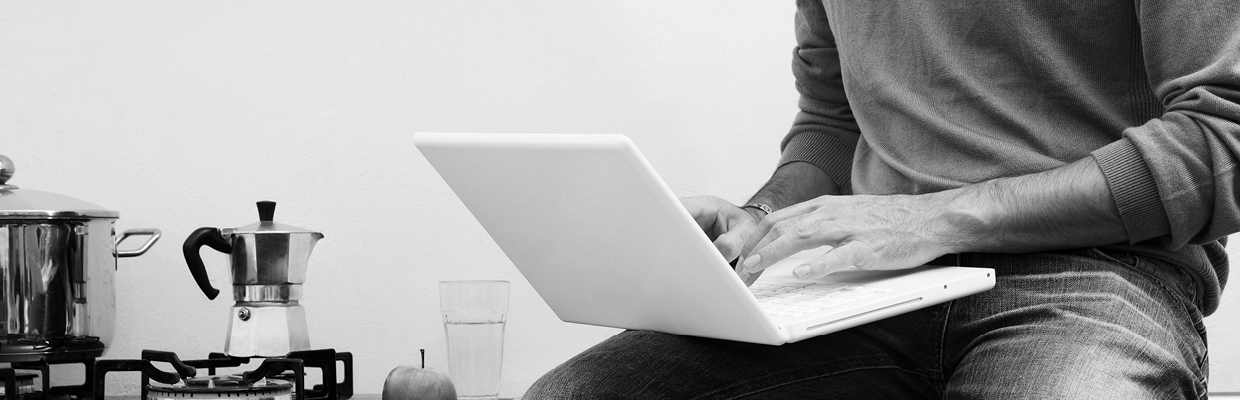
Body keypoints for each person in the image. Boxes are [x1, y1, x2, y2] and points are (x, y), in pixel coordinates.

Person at [525, 0, 1238, 398]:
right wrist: (763, 214)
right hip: (865, 288)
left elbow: (1224, 141)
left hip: (1094, 274)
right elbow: (834, 115)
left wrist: (932, 216)